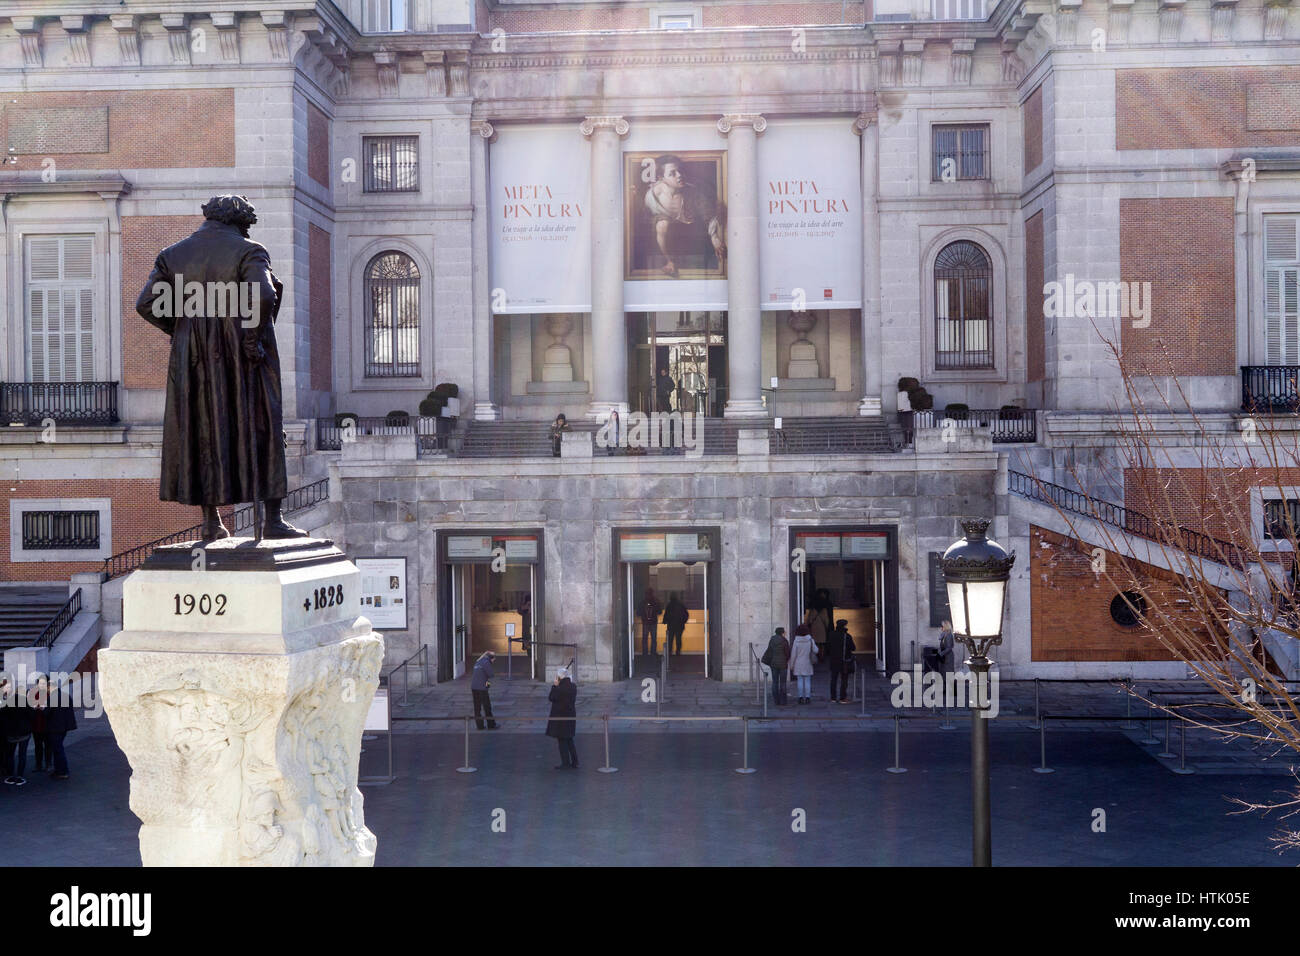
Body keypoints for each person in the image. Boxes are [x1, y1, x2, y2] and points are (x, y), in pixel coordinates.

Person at [134, 195, 306, 541]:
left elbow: (147, 304)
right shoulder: (249, 250)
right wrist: (250, 339)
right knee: (263, 424)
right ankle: (273, 520)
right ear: (239, 221)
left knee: (202, 429)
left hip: (192, 359)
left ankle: (212, 522)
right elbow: (263, 295)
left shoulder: (173, 255)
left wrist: (184, 330)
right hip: (243, 355)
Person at [44, 676, 77, 780]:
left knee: (58, 750)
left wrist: (42, 708)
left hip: (55, 727)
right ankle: (59, 770)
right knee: (59, 749)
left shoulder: (52, 697)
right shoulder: (66, 695)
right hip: (64, 727)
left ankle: (62, 771)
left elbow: (46, 713)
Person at [2, 678, 34, 785]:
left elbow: (3, 715)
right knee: (22, 754)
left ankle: (10, 775)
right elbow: (32, 716)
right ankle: (20, 776)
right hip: (24, 732)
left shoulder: (8, 702)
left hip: (11, 732)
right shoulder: (26, 702)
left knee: (10, 754)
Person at [546, 667, 579, 770]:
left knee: (562, 741)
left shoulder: (559, 689)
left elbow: (551, 697)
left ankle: (565, 763)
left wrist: (554, 686)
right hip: (570, 716)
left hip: (560, 718)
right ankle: (575, 761)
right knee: (569, 740)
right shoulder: (573, 687)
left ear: (559, 677)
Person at [828, 619, 857, 704]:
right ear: (844, 626)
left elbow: (828, 647)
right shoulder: (847, 636)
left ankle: (833, 698)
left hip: (833, 660)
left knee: (833, 679)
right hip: (844, 661)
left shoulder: (831, 634)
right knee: (844, 679)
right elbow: (853, 648)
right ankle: (842, 697)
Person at [788, 623, 818, 704]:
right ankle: (808, 697)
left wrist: (792, 665)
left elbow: (793, 654)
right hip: (808, 663)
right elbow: (816, 650)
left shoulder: (796, 641)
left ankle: (800, 697)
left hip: (798, 663)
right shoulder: (810, 640)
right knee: (807, 681)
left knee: (800, 681)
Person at [470, 651, 498, 730]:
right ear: (491, 658)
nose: (493, 662)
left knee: (477, 707)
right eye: (494, 660)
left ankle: (479, 726)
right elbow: (491, 674)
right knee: (487, 707)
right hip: (482, 687)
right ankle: (491, 725)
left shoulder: (479, 661)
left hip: (474, 687)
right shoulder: (486, 663)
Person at [764, 626, 791, 705]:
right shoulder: (784, 641)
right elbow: (788, 653)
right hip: (783, 665)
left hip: (774, 664)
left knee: (775, 682)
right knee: (783, 683)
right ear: (782, 633)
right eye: (784, 632)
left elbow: (769, 651)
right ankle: (783, 701)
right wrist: (786, 660)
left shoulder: (772, 640)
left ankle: (776, 700)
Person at [30, 675, 48, 773]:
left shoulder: (50, 694)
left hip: (47, 724)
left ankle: (48, 764)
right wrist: (34, 708)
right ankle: (38, 764)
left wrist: (45, 708)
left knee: (48, 745)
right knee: (38, 746)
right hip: (36, 724)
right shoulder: (33, 694)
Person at [663, 592, 689, 657]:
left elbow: (666, 615)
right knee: (678, 639)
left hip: (671, 625)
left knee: (670, 640)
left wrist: (664, 621)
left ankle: (670, 652)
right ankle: (678, 652)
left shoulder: (669, 605)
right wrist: (683, 621)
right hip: (679, 625)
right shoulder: (680, 605)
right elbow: (686, 615)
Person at [640, 587, 662, 657]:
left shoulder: (643, 602)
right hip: (652, 622)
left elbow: (638, 612)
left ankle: (645, 653)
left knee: (645, 638)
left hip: (646, 623)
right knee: (653, 638)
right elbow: (659, 611)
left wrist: (643, 615)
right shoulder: (655, 602)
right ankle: (652, 652)